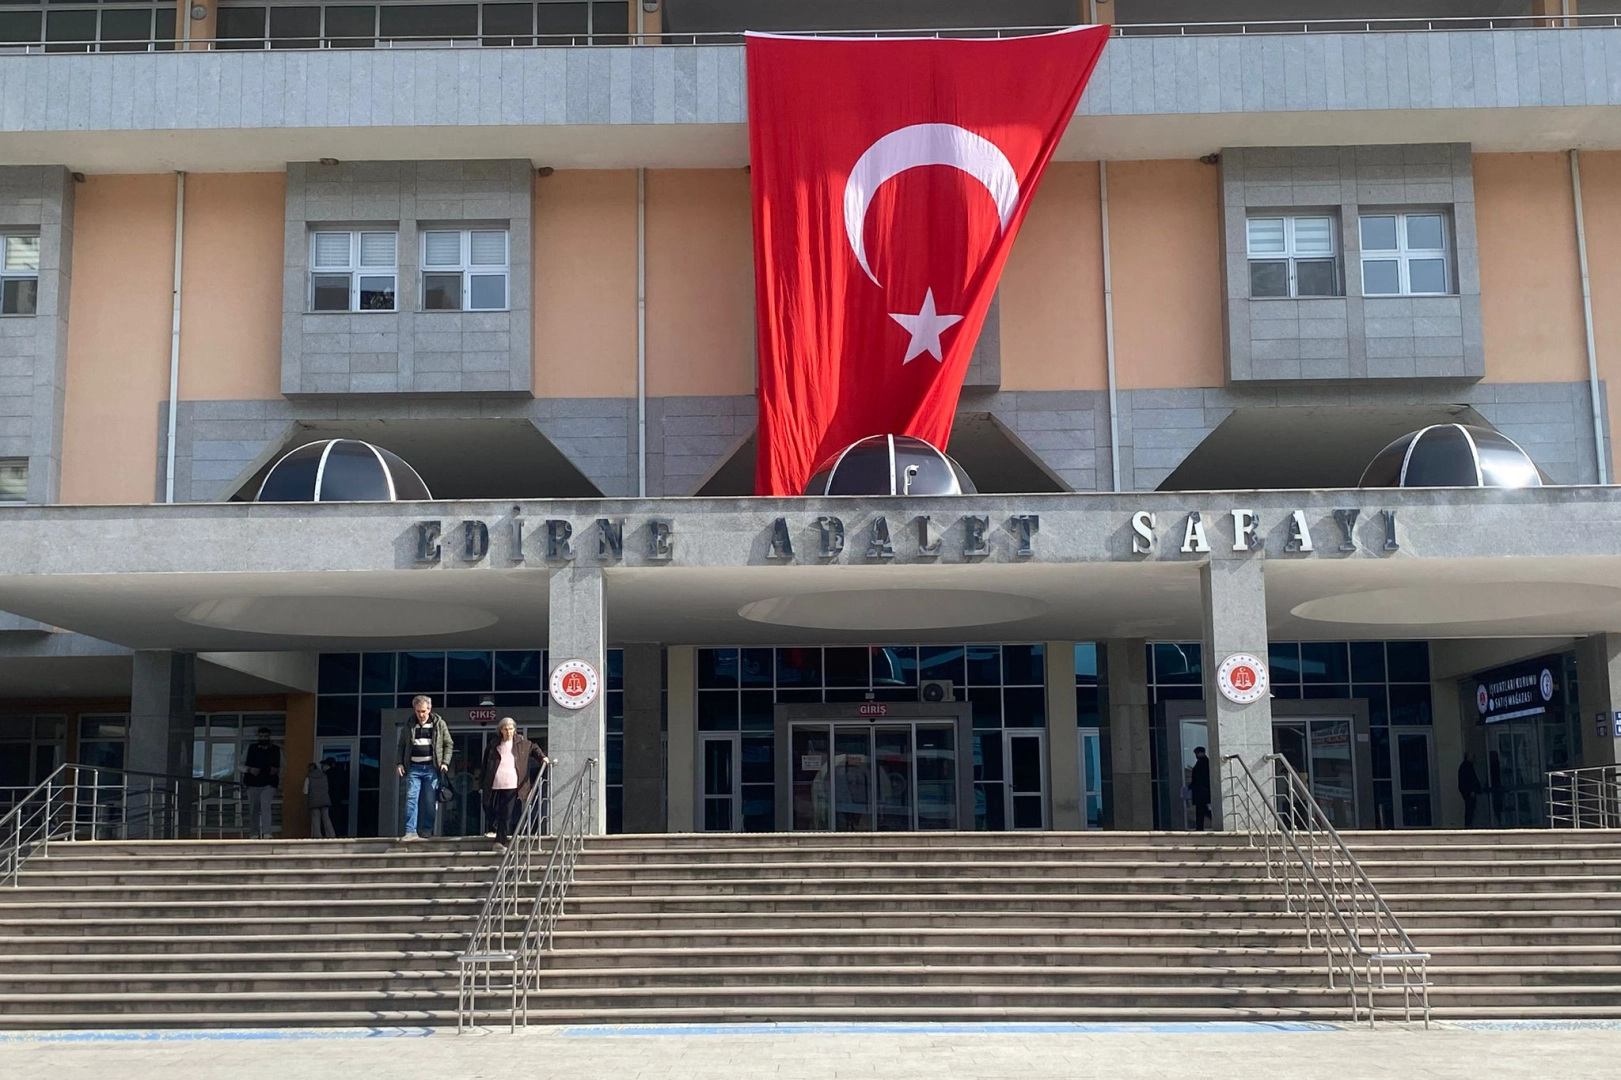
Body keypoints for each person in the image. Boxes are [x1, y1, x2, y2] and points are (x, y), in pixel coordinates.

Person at [478, 718, 549, 849]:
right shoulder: (493, 744)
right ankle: (494, 828)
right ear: (501, 730)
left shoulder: (522, 743)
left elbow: (534, 748)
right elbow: (485, 765)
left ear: (515, 730)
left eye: (511, 729)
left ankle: (500, 841)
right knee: (489, 807)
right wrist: (481, 783)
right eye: (506, 729)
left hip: (512, 783)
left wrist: (543, 758)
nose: (509, 732)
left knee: (506, 813)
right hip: (494, 782)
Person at [396, 695, 452, 840]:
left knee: (429, 801)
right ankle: (410, 831)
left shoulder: (439, 724)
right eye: (418, 711)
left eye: (423, 711)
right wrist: (399, 763)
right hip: (413, 768)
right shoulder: (409, 725)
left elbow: (448, 744)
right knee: (411, 798)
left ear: (429, 709)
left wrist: (445, 762)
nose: (421, 715)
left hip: (431, 769)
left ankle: (427, 830)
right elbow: (401, 745)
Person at [241, 727, 281, 839]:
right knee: (254, 809)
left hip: (269, 783)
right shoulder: (251, 748)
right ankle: (254, 833)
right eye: (261, 736)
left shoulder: (276, 750)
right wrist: (250, 770)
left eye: (265, 736)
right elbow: (240, 765)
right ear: (258, 737)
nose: (263, 738)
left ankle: (267, 833)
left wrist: (278, 770)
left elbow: (283, 765)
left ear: (269, 737)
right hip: (252, 783)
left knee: (265, 807)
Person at [304, 762, 336, 838]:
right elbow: (327, 788)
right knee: (326, 817)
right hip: (324, 799)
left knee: (316, 818)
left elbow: (305, 791)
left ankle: (317, 835)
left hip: (314, 800)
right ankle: (331, 834)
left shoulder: (309, 777)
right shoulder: (324, 776)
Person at [1458, 751, 1484, 828]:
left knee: (1471, 809)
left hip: (1468, 792)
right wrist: (1471, 790)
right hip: (1469, 792)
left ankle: (1469, 825)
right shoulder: (1466, 767)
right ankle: (1468, 825)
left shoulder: (1467, 766)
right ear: (1468, 757)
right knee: (1470, 809)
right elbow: (1467, 780)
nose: (1474, 758)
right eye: (1472, 756)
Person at [1189, 746, 1212, 831]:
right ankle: (1199, 826)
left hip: (1202, 791)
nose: (1196, 755)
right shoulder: (1200, 763)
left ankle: (1200, 827)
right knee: (1201, 810)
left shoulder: (1205, 763)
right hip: (1199, 791)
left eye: (1197, 753)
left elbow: (1202, 778)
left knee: (1202, 810)